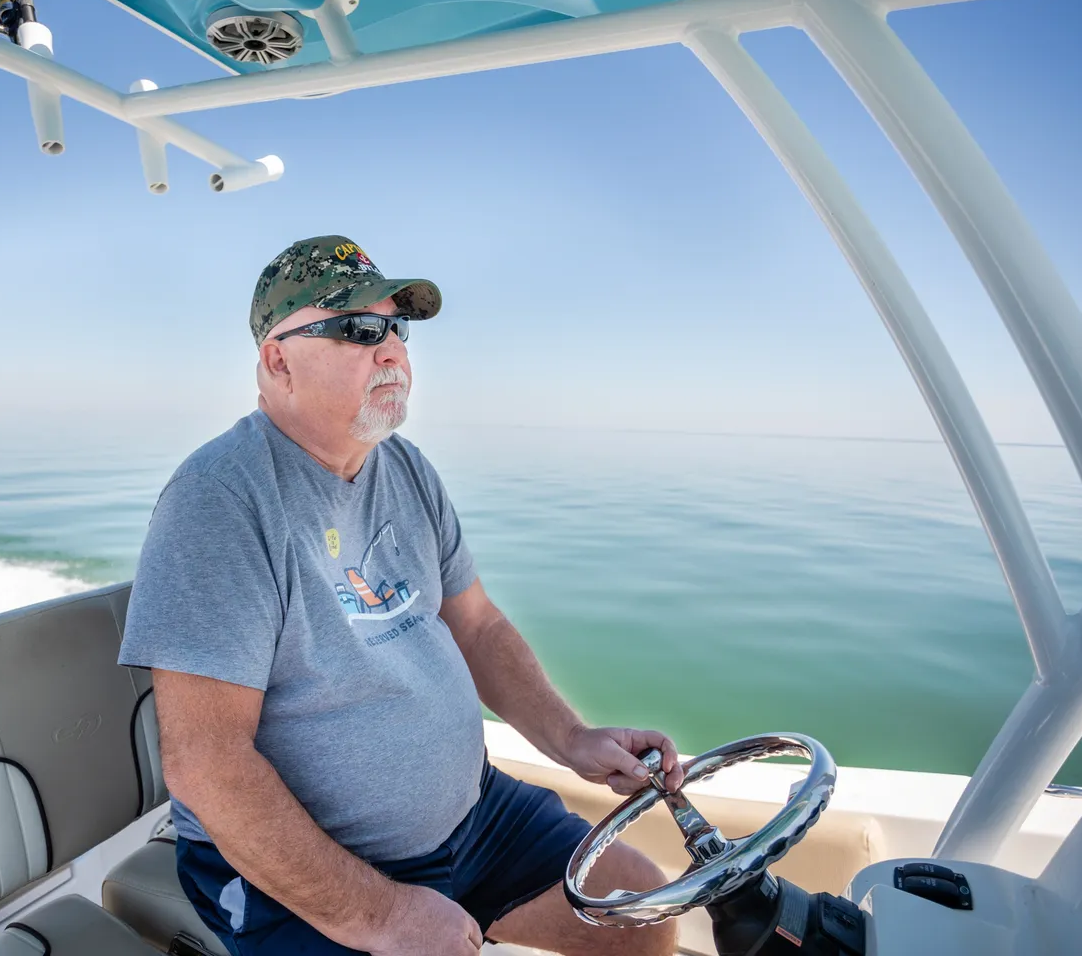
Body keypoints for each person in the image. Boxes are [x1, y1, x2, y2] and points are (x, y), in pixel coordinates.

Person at [119, 235, 684, 956]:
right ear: (278, 360)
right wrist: (381, 915)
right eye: (357, 329)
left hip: (474, 815)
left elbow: (476, 627)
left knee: (643, 911)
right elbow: (206, 761)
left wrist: (572, 739)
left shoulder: (406, 470)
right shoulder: (219, 501)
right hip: (295, 869)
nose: (391, 350)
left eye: (397, 327)